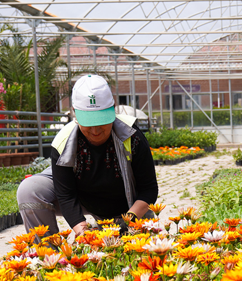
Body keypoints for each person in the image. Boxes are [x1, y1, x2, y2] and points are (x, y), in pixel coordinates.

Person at [17, 74, 159, 236]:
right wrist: (85, 234)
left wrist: (127, 222)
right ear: (75, 114)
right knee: (29, 190)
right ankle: (49, 256)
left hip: (127, 209)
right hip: (83, 197)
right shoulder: (63, 142)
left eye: (102, 121)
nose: (96, 130)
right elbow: (66, 195)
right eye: (89, 123)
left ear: (113, 110)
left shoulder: (132, 136)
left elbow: (149, 189)